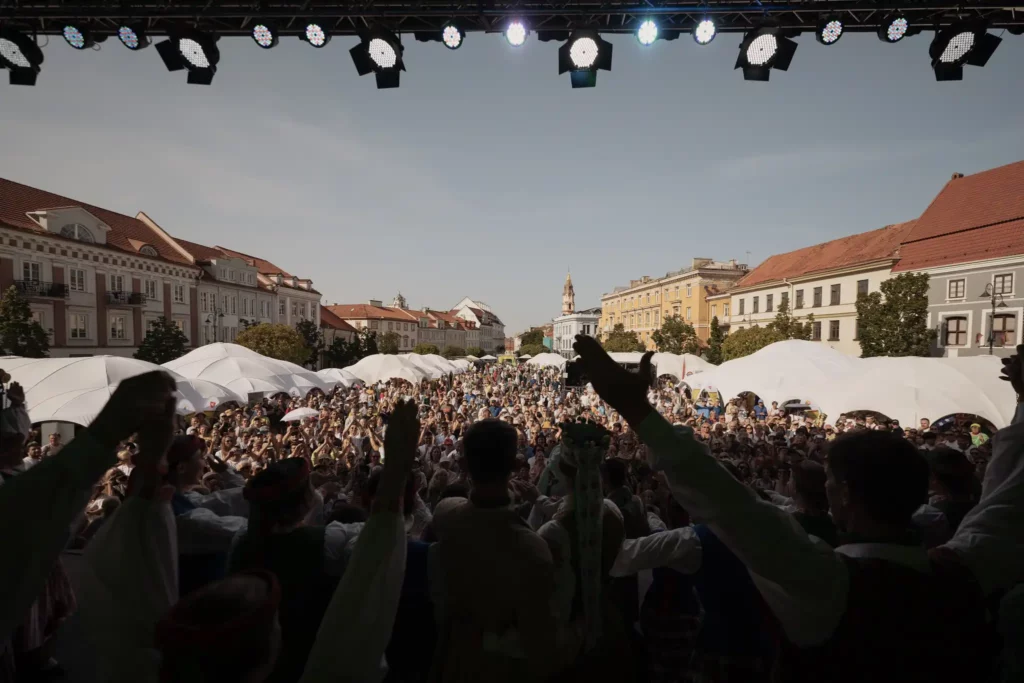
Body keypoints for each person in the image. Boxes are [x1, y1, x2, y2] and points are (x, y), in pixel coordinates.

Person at [572, 334, 1024, 681]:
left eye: (828, 481)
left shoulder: (825, 583)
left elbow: (733, 507)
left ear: (843, 494)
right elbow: (1007, 502)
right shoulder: (964, 570)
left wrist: (636, 409)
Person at [429, 419, 564, 683]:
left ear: (463, 464)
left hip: (453, 665)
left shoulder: (445, 516)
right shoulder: (532, 548)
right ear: (515, 466)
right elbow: (542, 651)